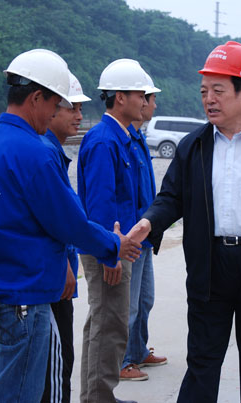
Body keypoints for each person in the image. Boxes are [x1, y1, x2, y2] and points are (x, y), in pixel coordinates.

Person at [128, 40, 241, 403]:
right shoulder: (194, 146)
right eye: (204, 91)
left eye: (218, 90)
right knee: (202, 361)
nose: (209, 99)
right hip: (210, 266)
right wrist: (150, 222)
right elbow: (172, 197)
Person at [0, 49, 140, 402]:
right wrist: (114, 245)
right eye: (55, 104)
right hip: (22, 299)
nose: (55, 113)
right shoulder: (35, 153)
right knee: (17, 394)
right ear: (36, 97)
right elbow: (69, 222)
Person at [77, 58, 149, 403]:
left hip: (116, 247)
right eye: (139, 95)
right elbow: (100, 205)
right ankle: (98, 398)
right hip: (109, 250)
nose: (144, 101)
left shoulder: (120, 137)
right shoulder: (105, 141)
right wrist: (110, 256)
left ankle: (98, 395)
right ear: (120, 97)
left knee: (105, 324)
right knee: (109, 325)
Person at [40, 72, 91, 403]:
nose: (79, 115)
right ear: (49, 106)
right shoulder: (45, 153)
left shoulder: (50, 150)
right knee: (57, 368)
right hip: (50, 282)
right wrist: (65, 265)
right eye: (72, 107)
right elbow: (61, 222)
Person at [120, 72, 168, 382]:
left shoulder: (136, 137)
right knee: (129, 305)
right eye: (149, 98)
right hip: (130, 237)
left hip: (144, 235)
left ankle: (137, 350)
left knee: (144, 300)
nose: (152, 104)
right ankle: (122, 360)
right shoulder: (117, 139)